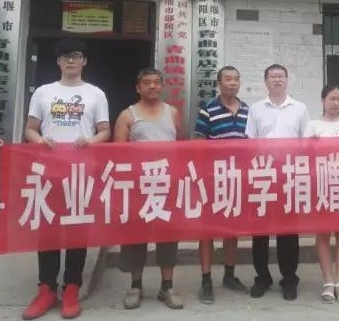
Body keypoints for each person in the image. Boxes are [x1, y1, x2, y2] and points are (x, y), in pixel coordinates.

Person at [22, 39, 110, 320]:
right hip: (48, 171)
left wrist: (90, 141)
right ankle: (46, 288)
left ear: (84, 61)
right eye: (65, 56)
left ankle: (72, 287)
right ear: (58, 62)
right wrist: (41, 141)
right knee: (47, 228)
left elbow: (105, 131)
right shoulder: (44, 92)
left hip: (81, 171)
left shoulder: (96, 94)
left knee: (77, 229)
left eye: (76, 56)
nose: (70, 60)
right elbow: (30, 129)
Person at [114, 68, 184, 311]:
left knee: (168, 235)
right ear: (138, 87)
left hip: (167, 183)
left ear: (162, 86)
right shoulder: (127, 115)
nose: (152, 86)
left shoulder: (173, 113)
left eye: (156, 82)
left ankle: (167, 286)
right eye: (147, 83)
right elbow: (118, 153)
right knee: (135, 234)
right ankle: (135, 286)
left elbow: (181, 145)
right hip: (138, 184)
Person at [245, 64, 310, 301]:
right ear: (265, 82)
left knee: (288, 230)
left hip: (289, 175)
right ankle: (262, 277)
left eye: (281, 76)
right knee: (260, 230)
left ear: (287, 80)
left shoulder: (300, 108)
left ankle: (289, 278)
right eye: (272, 77)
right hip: (262, 174)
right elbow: (250, 141)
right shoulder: (256, 109)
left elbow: (305, 142)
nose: (277, 80)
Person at [194, 66, 249, 304]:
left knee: (232, 230)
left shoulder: (248, 110)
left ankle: (229, 275)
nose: (232, 83)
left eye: (236, 79)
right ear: (219, 83)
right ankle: (206, 280)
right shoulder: (208, 110)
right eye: (228, 79)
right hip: (212, 179)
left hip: (238, 180)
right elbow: (198, 145)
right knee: (207, 232)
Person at [303, 84, 339, 304]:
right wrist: (310, 144)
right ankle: (328, 280)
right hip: (321, 185)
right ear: (322, 101)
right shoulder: (312, 126)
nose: (336, 103)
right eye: (332, 99)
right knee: (323, 233)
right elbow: (302, 154)